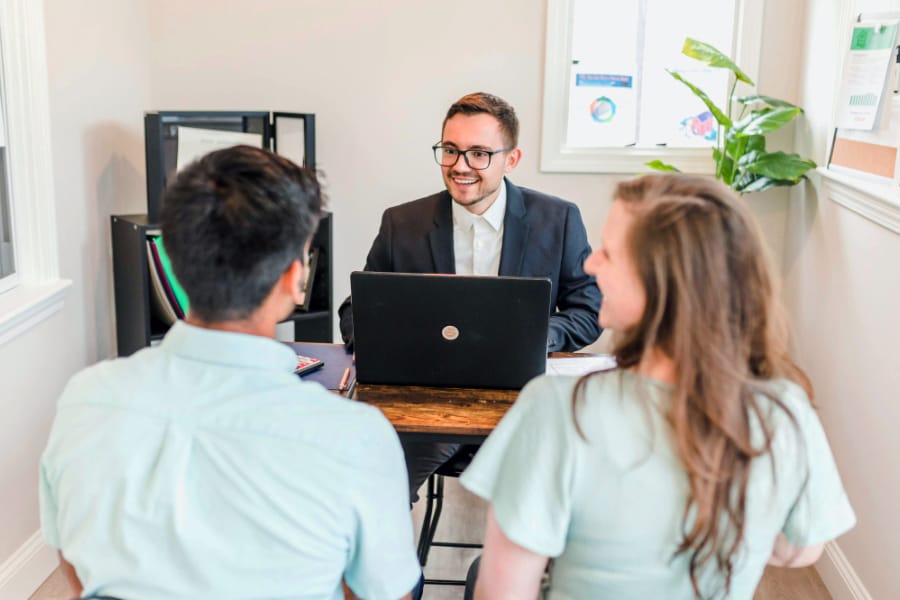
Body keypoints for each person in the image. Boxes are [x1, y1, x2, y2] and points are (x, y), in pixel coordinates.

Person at [39, 146, 421, 600]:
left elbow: (73, 559)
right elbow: (385, 594)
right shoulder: (356, 437)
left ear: (175, 261)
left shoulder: (85, 399)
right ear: (293, 277)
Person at [460, 174, 856, 599]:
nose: (591, 265)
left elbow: (501, 593)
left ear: (662, 283)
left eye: (609, 255)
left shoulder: (556, 409)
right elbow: (798, 549)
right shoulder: (786, 409)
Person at [338, 92, 602, 502]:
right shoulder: (402, 222)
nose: (460, 167)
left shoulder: (559, 219)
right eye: (450, 150)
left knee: (557, 491)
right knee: (369, 484)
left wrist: (538, 336)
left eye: (479, 153)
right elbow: (357, 309)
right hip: (427, 405)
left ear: (510, 160)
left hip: (522, 403)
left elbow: (588, 308)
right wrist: (387, 342)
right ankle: (394, 567)